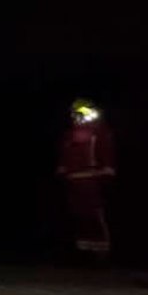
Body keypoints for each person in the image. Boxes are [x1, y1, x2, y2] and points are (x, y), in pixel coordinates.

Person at [57, 98, 116, 258]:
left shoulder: (99, 132)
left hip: (92, 178)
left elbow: (105, 151)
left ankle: (101, 251)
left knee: (95, 214)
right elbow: (65, 154)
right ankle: (83, 251)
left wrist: (106, 171)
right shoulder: (70, 134)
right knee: (78, 214)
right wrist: (63, 169)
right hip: (74, 178)